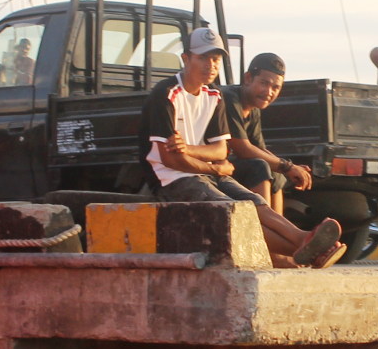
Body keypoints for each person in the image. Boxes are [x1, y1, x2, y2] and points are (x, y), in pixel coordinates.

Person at [140, 28, 344, 268]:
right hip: (171, 178)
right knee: (235, 213)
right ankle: (304, 251)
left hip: (205, 171)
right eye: (203, 58)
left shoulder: (213, 96)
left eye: (215, 59)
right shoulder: (165, 94)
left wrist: (191, 151)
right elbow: (171, 160)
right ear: (186, 59)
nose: (211, 65)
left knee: (253, 202)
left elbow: (220, 151)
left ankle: (301, 237)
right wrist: (215, 169)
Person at [225, 52, 314, 213]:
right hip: (211, 168)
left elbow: (259, 149)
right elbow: (242, 149)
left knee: (274, 171)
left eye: (275, 87)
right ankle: (265, 229)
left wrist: (287, 168)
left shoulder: (254, 109)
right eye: (264, 83)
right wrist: (287, 167)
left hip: (231, 168)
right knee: (259, 166)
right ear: (248, 78)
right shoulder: (230, 99)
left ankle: (278, 227)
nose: (269, 92)